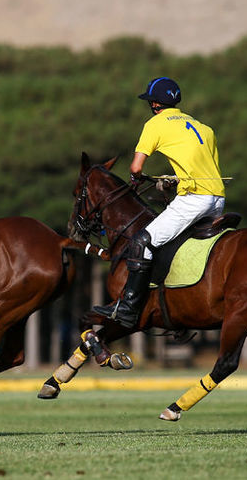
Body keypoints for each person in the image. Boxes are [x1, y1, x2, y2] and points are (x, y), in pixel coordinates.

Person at [92, 77, 226, 328]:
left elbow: (136, 167)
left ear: (155, 104)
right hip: (217, 198)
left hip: (194, 199)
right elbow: (206, 168)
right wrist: (175, 180)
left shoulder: (155, 124)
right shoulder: (204, 128)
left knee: (143, 240)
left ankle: (128, 308)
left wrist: (138, 177)